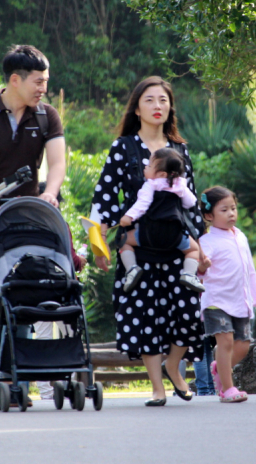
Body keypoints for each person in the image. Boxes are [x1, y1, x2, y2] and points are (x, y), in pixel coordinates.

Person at [91, 76, 205, 407]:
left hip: (176, 245)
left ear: (170, 109)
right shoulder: (123, 147)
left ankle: (174, 366)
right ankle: (157, 387)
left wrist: (200, 247)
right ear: (137, 109)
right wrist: (99, 243)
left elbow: (192, 201)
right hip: (138, 247)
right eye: (150, 100)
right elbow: (105, 198)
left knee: (186, 313)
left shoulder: (180, 150)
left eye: (163, 101)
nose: (157, 106)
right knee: (143, 315)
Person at [0, 45, 66, 385]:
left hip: (26, 215)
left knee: (21, 289)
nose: (43, 88)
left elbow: (58, 162)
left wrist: (49, 191)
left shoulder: (47, 116)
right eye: (37, 81)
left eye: (46, 81)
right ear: (15, 80)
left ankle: (18, 373)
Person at [197, 186, 256, 403]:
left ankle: (219, 369)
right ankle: (228, 389)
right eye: (224, 210)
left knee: (243, 346)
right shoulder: (206, 240)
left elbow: (250, 270)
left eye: (233, 208)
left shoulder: (240, 236)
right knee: (226, 342)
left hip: (240, 301)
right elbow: (198, 271)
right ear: (209, 215)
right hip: (216, 301)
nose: (231, 213)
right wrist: (202, 265)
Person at [118, 147, 204, 294]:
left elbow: (142, 205)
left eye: (150, 166)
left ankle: (132, 269)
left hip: (149, 233)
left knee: (124, 241)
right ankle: (189, 274)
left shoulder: (150, 185)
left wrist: (129, 217)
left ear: (161, 174)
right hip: (174, 236)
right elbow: (190, 203)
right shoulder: (180, 185)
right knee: (194, 249)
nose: (145, 167)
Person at [34, 182, 87, 402]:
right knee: (69, 337)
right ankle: (68, 387)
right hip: (63, 289)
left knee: (42, 339)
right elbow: (71, 260)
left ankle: (46, 393)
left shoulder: (27, 224)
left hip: (34, 290)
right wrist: (82, 260)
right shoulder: (60, 225)